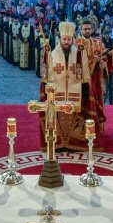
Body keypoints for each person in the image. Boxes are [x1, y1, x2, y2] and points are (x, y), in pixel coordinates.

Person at [39, 21, 89, 151]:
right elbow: (46, 75)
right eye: (64, 39)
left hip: (75, 92)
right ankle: (59, 143)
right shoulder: (52, 54)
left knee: (74, 119)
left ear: (72, 39)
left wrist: (85, 89)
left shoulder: (79, 53)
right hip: (58, 92)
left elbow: (85, 72)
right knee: (59, 119)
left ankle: (73, 142)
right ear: (60, 39)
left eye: (69, 39)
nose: (66, 42)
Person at [77, 17, 108, 136]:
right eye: (85, 29)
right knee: (83, 102)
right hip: (82, 80)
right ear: (81, 30)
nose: (87, 31)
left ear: (92, 29)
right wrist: (93, 60)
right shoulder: (76, 43)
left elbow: (105, 57)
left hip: (95, 79)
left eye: (89, 29)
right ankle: (81, 126)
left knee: (95, 100)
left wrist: (102, 63)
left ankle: (95, 126)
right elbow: (76, 60)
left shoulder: (97, 42)